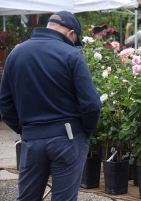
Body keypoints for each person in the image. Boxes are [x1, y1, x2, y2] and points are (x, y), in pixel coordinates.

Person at [0, 11, 101, 201]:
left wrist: (26, 130)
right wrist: (85, 131)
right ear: (71, 33)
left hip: (32, 139)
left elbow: (5, 104)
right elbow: (92, 104)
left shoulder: (16, 54)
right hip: (68, 137)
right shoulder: (71, 54)